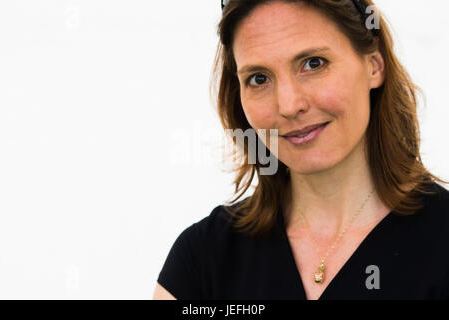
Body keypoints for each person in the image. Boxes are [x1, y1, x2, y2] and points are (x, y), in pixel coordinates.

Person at [153, 0, 449, 300]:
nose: (289, 105)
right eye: (259, 79)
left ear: (374, 65)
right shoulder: (202, 259)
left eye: (313, 63)